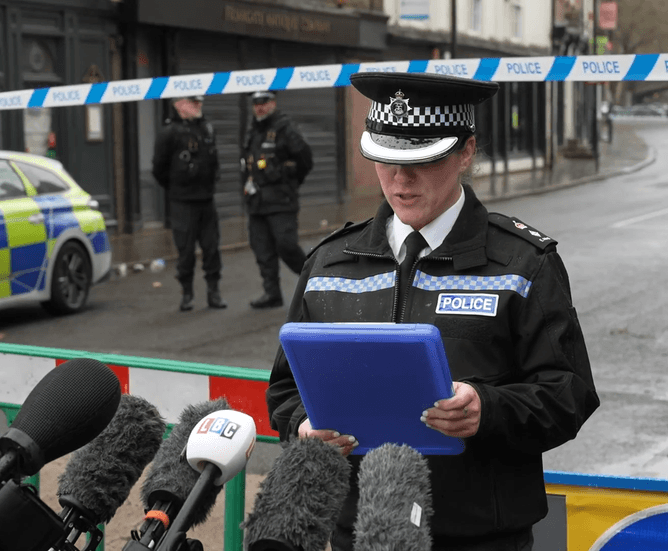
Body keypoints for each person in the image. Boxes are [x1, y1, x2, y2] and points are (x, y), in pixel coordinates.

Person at [266, 73, 600, 551]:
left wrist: (487, 410)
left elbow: (569, 394)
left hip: (482, 537)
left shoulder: (524, 263)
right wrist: (303, 425)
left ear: (466, 152)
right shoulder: (328, 262)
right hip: (360, 532)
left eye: (423, 161)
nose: (401, 180)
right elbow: (284, 387)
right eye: (387, 160)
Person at [152, 95, 227, 311]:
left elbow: (215, 162)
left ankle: (214, 293)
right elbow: (159, 168)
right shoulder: (169, 133)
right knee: (185, 250)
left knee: (211, 248)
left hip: (206, 199)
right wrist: (177, 189)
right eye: (193, 103)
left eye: (200, 102)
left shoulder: (207, 128)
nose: (199, 106)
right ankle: (187, 294)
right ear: (179, 105)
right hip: (183, 202)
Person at [240, 91, 313, 309]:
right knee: (262, 249)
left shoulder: (285, 128)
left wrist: (289, 182)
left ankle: (315, 284)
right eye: (256, 104)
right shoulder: (253, 130)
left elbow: (305, 160)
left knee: (286, 245)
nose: (260, 107)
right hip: (257, 201)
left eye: (264, 103)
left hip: (281, 200)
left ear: (273, 103)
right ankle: (272, 293)